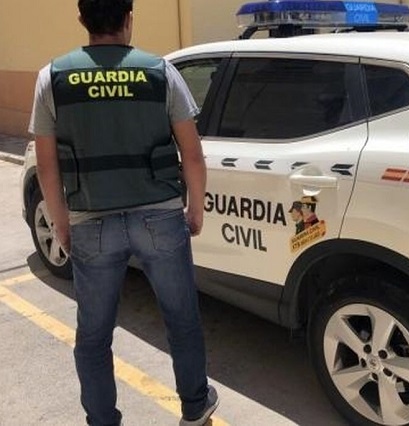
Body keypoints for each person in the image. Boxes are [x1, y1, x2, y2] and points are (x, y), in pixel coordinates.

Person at [28, 1, 218, 425]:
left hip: (91, 222)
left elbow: (46, 166)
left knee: (94, 337)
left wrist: (60, 223)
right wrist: (196, 208)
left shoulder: (52, 78)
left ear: (82, 19)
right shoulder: (160, 72)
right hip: (160, 218)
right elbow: (192, 152)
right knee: (182, 320)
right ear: (129, 18)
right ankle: (194, 406)